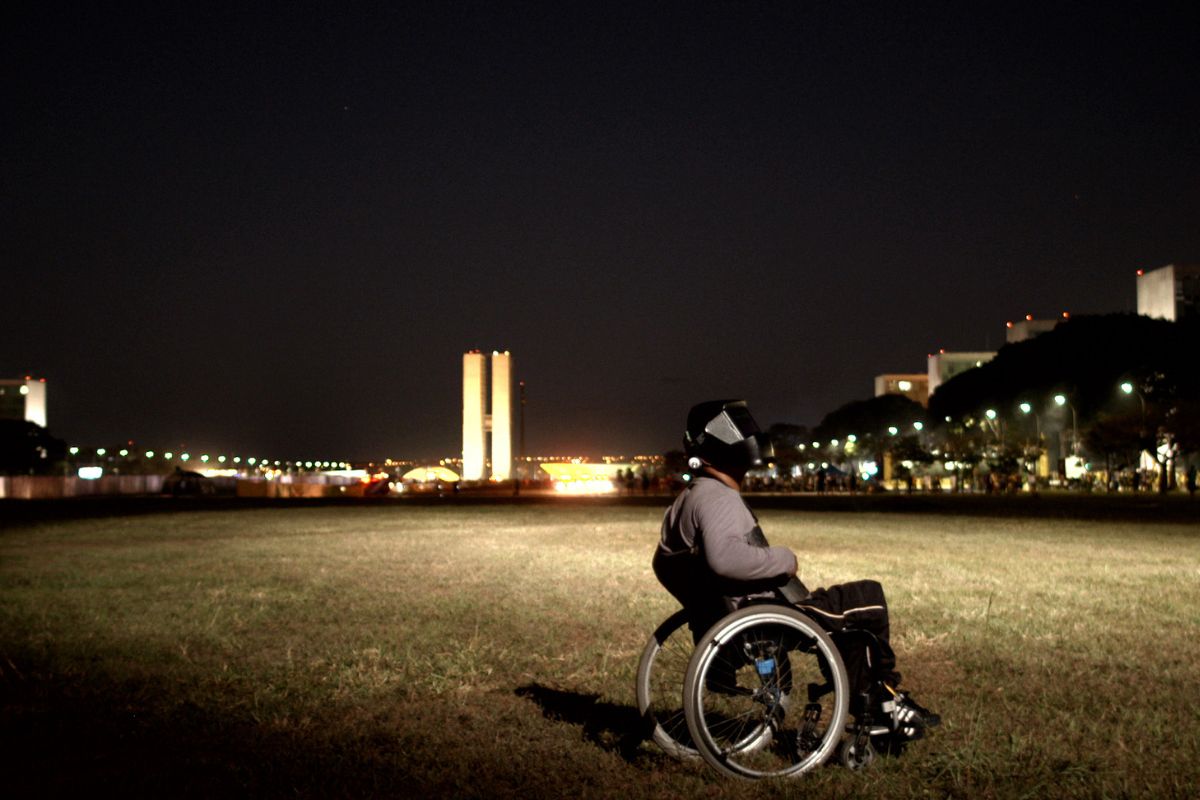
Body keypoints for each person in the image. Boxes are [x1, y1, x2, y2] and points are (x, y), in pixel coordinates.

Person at [652, 399, 939, 742]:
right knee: (868, 599)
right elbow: (724, 559)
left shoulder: (689, 497)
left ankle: (875, 701)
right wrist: (784, 558)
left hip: (739, 614)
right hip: (767, 615)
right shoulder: (718, 498)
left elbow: (664, 562)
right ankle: (881, 702)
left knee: (845, 622)